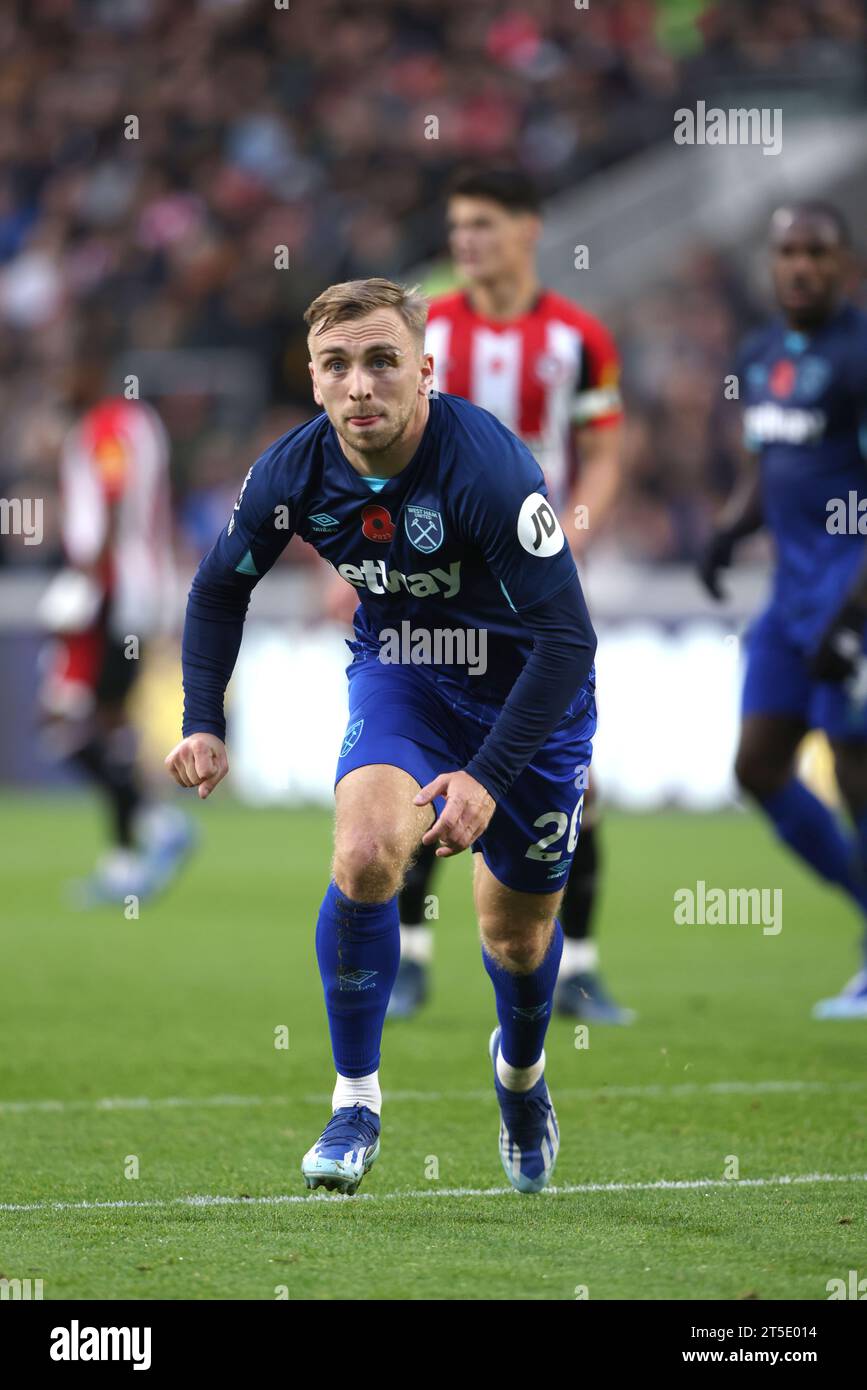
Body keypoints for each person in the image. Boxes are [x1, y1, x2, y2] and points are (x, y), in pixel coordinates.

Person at [166, 278, 598, 1193]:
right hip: (403, 672)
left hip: (529, 697)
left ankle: (519, 1075)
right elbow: (217, 588)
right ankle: (354, 1101)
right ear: (315, 382)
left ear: (424, 371)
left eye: (380, 361)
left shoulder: (487, 468)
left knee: (514, 941)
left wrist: (485, 774)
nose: (359, 385)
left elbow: (567, 640)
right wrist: (202, 718)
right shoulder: (291, 471)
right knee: (364, 855)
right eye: (336, 365)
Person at [389, 168, 633, 1023]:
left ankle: (580, 968)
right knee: (427, 764)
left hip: (538, 589)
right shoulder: (429, 333)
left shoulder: (578, 338)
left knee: (576, 780)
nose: (464, 241)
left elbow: (602, 447)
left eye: (482, 224)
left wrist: (575, 525)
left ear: (529, 228)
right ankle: (411, 957)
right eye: (456, 225)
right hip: (442, 589)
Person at [700, 201, 867, 1020]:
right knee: (757, 768)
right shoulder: (761, 351)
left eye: (815, 252)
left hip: (854, 593)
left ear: (842, 263)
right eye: (786, 252)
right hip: (788, 601)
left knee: (854, 771)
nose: (799, 265)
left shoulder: (861, 352)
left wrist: (849, 617)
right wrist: (730, 529)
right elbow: (772, 466)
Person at [39, 362, 194, 904]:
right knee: (108, 725)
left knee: (62, 720)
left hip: (109, 591)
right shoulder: (142, 422)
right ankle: (127, 856)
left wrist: (89, 577)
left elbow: (111, 491)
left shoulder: (105, 426)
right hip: (141, 588)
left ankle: (151, 827)